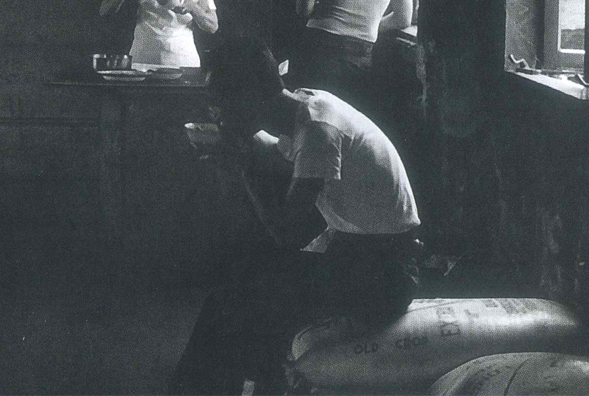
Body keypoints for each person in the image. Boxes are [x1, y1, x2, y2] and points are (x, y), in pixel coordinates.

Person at [173, 38, 421, 395]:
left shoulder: (319, 130)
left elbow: (289, 235)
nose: (217, 113)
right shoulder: (306, 105)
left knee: (242, 297)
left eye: (221, 102)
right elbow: (280, 150)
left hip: (384, 273)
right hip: (359, 254)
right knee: (238, 285)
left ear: (252, 95)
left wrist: (241, 165)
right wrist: (239, 140)